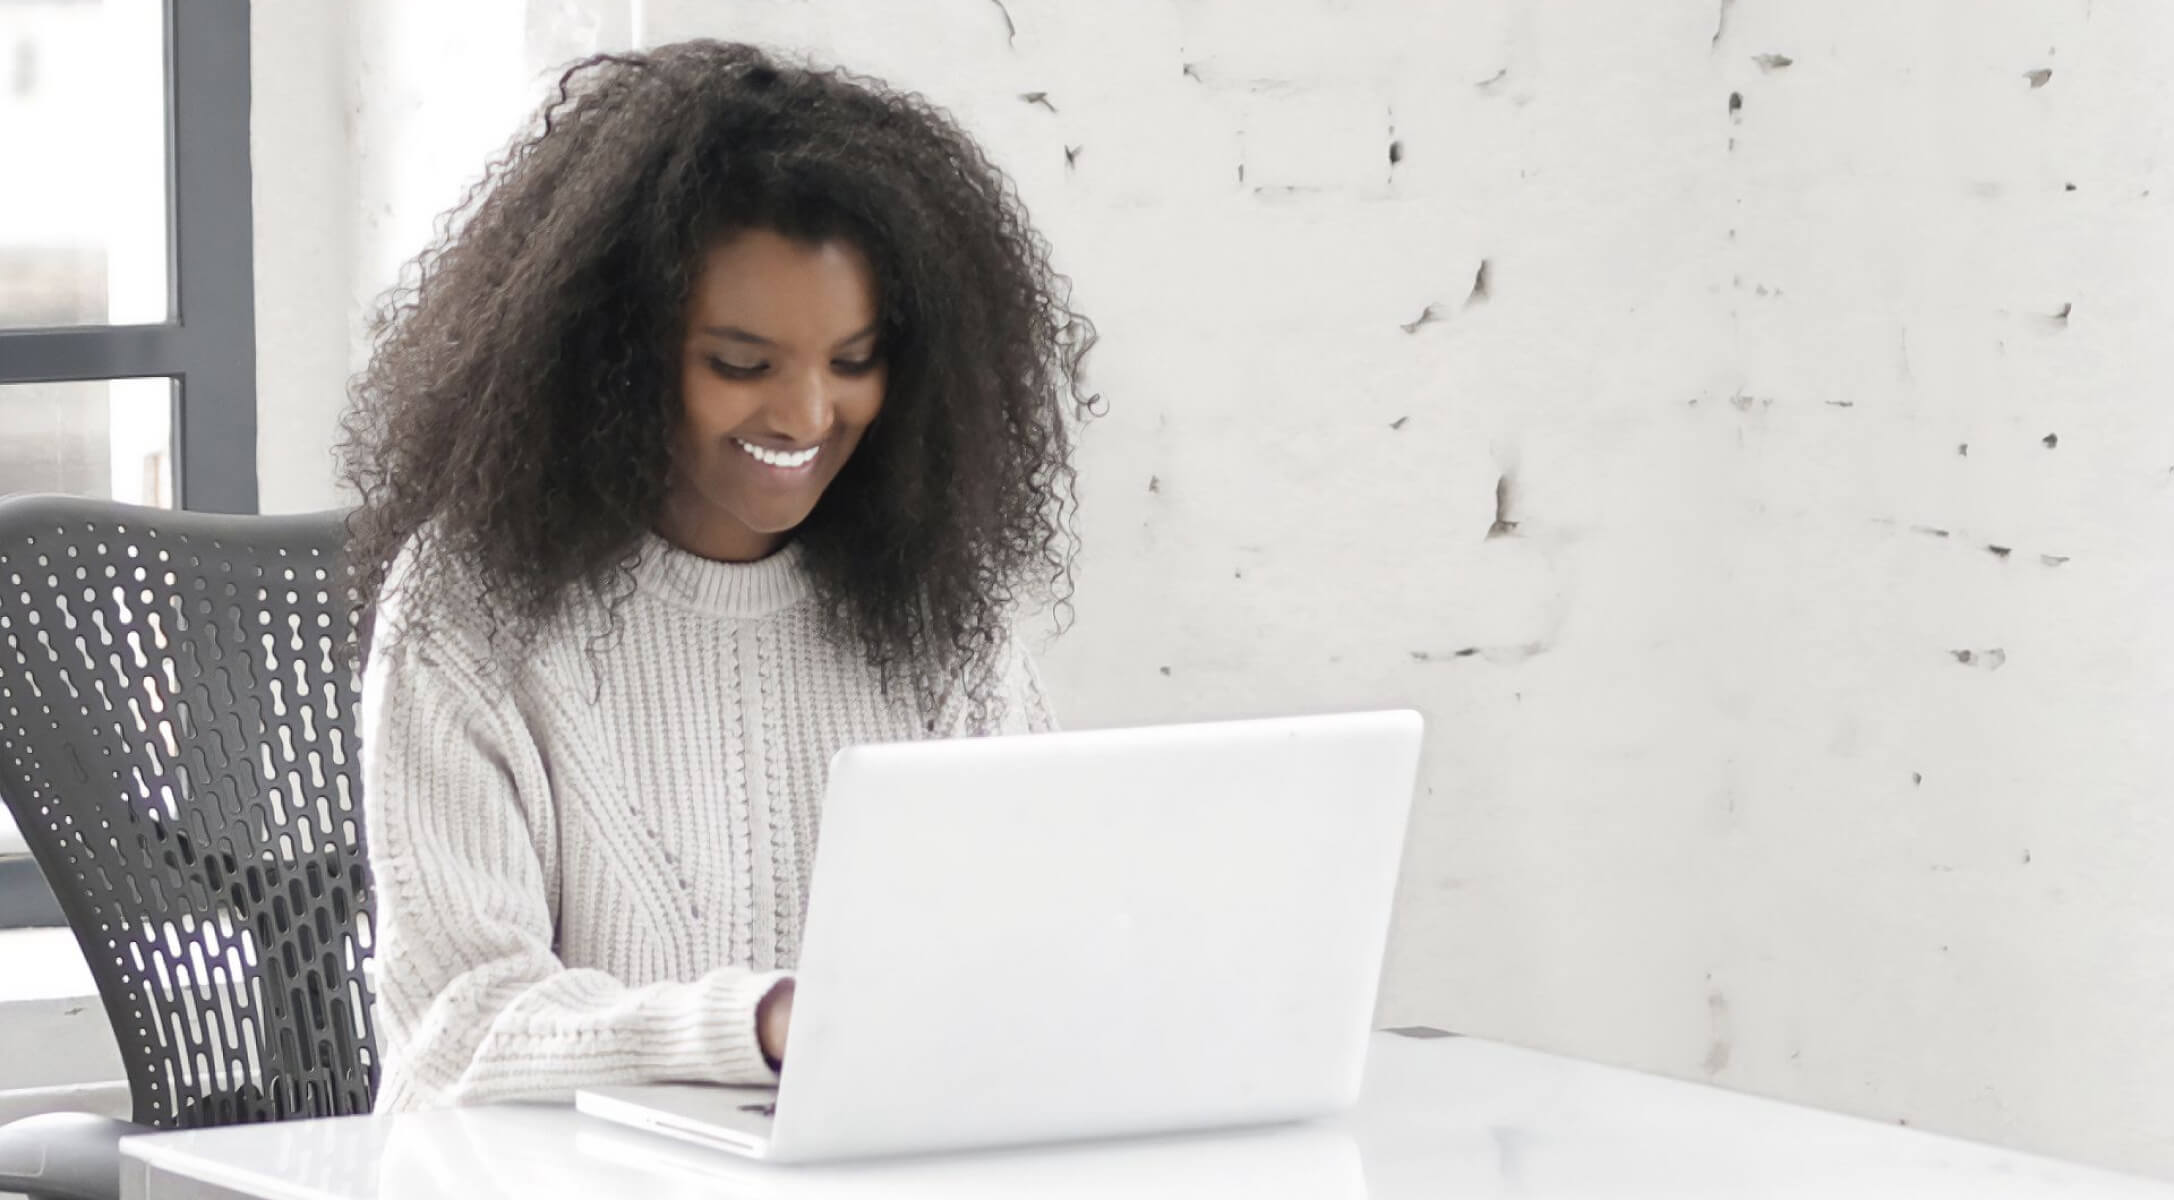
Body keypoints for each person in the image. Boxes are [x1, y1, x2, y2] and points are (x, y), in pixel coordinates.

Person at [339, 39, 1100, 1112]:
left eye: (853, 361)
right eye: (741, 365)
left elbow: (1045, 944)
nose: (803, 417)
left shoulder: (936, 611)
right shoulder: (474, 608)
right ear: (612, 357)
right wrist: (764, 1026)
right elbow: (458, 1034)